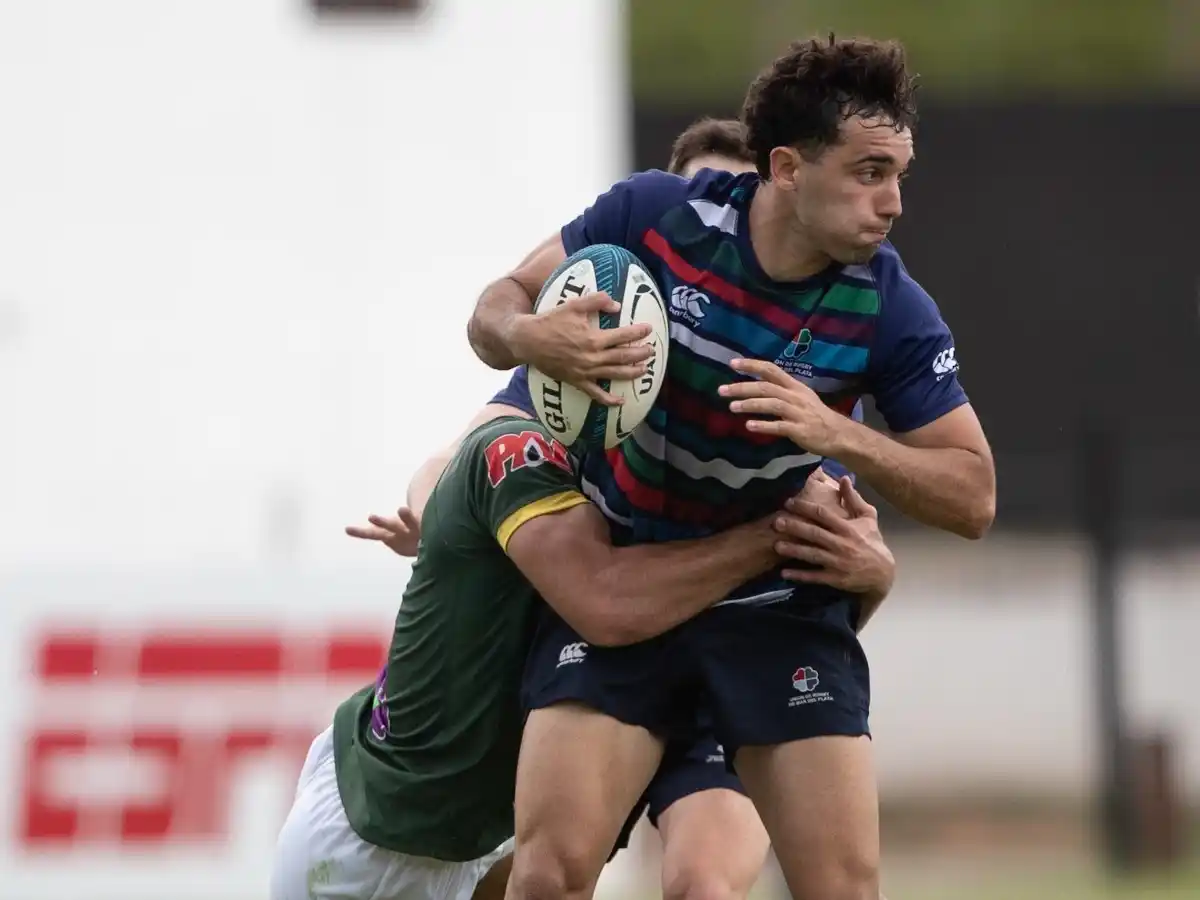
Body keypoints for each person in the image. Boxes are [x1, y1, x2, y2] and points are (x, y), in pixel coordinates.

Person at [466, 36, 995, 900]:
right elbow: (496, 307)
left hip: (775, 606)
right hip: (626, 585)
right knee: (546, 876)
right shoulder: (653, 216)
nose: (893, 202)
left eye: (899, 173)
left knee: (834, 889)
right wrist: (533, 337)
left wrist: (838, 433)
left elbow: (973, 494)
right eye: (868, 172)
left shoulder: (889, 305)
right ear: (786, 167)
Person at [346, 119, 892, 900]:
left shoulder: (795, 400)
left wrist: (879, 573)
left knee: (703, 884)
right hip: (600, 656)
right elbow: (460, 459)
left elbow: (833, 568)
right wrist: (442, 519)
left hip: (725, 675)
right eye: (701, 200)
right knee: (525, 876)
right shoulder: (586, 371)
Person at [270, 411, 884, 900]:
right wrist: (778, 536)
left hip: (486, 832)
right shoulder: (538, 448)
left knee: (706, 884)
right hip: (380, 827)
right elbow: (603, 598)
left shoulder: (723, 458)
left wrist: (873, 574)